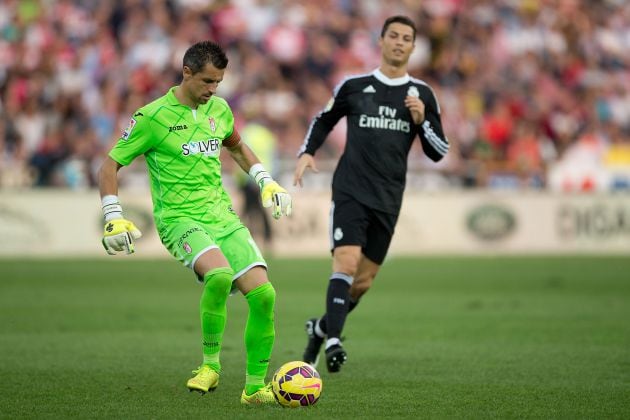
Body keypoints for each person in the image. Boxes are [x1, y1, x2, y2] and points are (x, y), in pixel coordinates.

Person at [98, 41, 292, 405]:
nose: (212, 90)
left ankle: (253, 390)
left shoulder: (218, 108)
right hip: (178, 218)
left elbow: (235, 145)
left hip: (221, 216)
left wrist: (266, 180)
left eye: (218, 82)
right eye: (206, 81)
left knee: (265, 295)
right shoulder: (152, 117)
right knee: (219, 276)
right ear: (186, 72)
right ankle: (210, 366)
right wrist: (113, 215)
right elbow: (109, 166)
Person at [293, 15, 449, 373]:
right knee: (345, 263)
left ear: (412, 47)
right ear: (380, 41)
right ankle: (333, 341)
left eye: (406, 38)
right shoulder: (354, 85)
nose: (399, 42)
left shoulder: (422, 95)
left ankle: (319, 329)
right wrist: (307, 152)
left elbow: (439, 151)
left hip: (389, 198)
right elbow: (324, 119)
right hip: (350, 190)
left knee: (361, 283)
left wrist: (422, 120)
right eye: (393, 35)